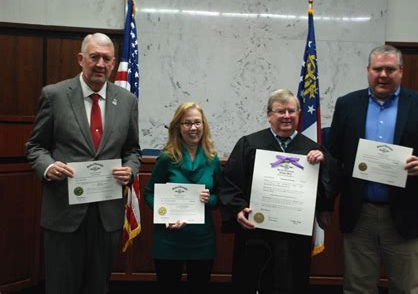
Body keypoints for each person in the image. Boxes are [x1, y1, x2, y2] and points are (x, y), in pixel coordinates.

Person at [327, 45, 418, 294]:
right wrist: (325, 204)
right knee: (357, 288)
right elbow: (334, 157)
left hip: (407, 213)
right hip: (359, 213)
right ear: (368, 71)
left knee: (405, 288)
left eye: (390, 69)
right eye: (377, 69)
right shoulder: (347, 104)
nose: (383, 75)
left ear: (401, 72)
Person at [25, 33, 141, 294]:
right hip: (64, 214)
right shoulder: (54, 95)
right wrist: (47, 166)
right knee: (61, 286)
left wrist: (131, 169)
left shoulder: (127, 101)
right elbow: (35, 146)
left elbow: (132, 149)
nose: (100, 64)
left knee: (97, 286)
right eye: (94, 57)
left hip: (106, 216)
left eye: (107, 59)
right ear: (81, 59)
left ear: (113, 64)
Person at [219, 89, 334, 294]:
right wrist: (238, 210)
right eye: (280, 111)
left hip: (294, 237)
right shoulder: (249, 144)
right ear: (269, 115)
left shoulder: (313, 149)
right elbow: (229, 183)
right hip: (256, 232)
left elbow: (329, 187)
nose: (287, 116)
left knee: (292, 283)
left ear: (299, 114)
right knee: (253, 281)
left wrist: (324, 164)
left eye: (292, 111)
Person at [144, 102, 221, 294]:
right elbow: (148, 193)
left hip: (202, 240)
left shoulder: (213, 160)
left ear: (204, 125)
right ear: (178, 127)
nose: (193, 128)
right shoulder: (166, 158)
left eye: (197, 122)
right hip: (169, 239)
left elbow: (220, 196)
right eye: (187, 123)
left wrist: (209, 199)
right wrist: (165, 214)